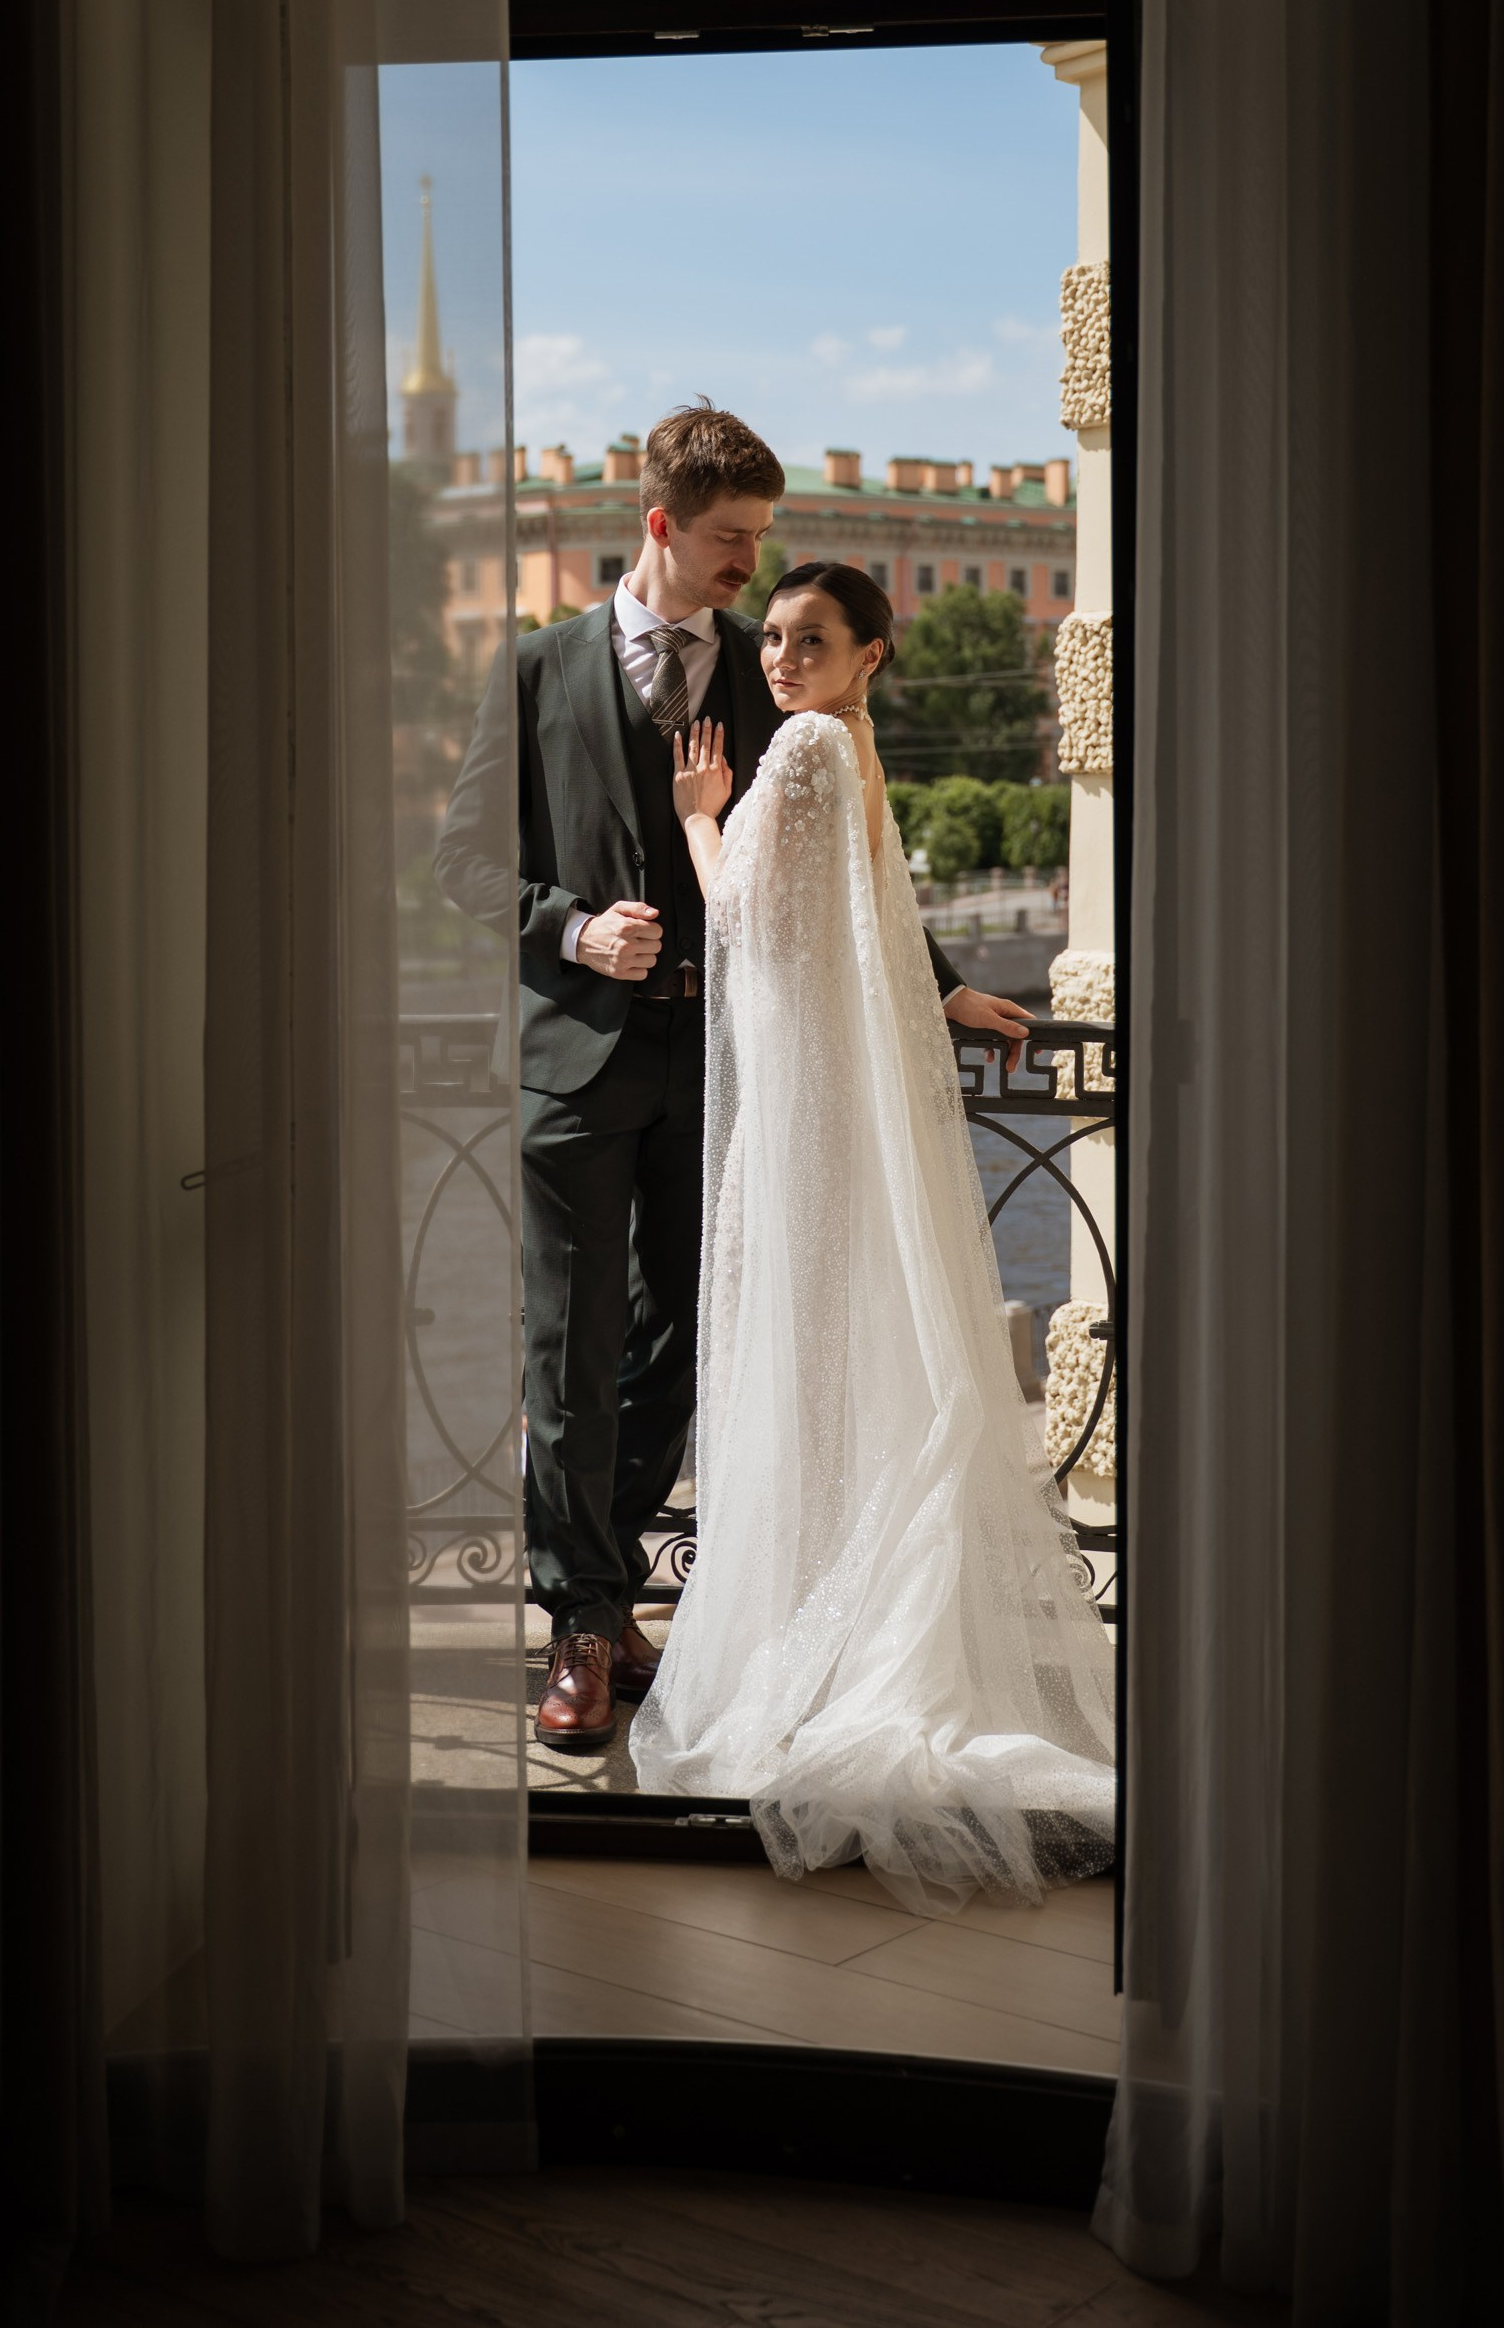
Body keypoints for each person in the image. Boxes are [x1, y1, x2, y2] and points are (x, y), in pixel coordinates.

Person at [435, 408, 1030, 1752]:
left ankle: (612, 1576)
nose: (753, 576)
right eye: (730, 543)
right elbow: (465, 862)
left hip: (733, 1071)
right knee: (570, 1348)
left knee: (690, 1345)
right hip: (577, 1062)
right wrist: (573, 927)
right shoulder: (536, 670)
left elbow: (837, 858)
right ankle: (582, 1623)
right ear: (661, 525)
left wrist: (936, 985)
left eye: (760, 546)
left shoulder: (780, 682)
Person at [628, 562, 1117, 1907]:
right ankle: (845, 1629)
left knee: (799, 1352)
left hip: (802, 1093)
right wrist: (953, 1001)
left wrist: (696, 821)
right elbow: (879, 921)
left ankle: (807, 1648)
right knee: (843, 1356)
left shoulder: (792, 750)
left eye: (811, 639)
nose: (780, 657)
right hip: (844, 1084)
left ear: (870, 654)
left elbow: (740, 925)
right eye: (773, 636)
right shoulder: (853, 745)